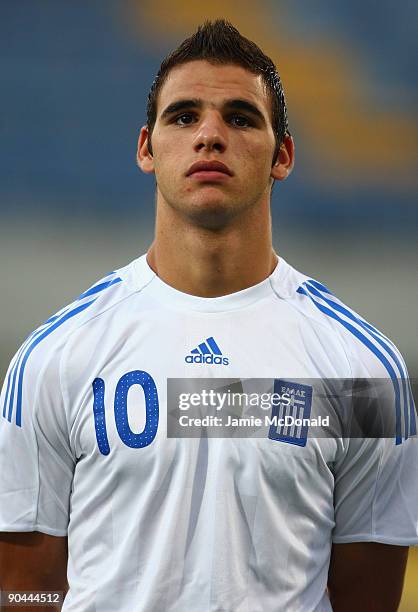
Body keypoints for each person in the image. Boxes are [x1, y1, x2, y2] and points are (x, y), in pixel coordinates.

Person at [0, 19, 417, 612]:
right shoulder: (53, 359)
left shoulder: (365, 373)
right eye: (184, 116)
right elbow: (25, 590)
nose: (209, 136)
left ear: (284, 155)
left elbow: (366, 598)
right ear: (147, 147)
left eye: (241, 118)